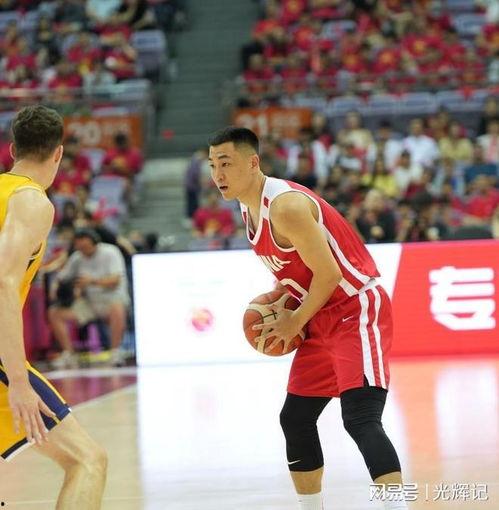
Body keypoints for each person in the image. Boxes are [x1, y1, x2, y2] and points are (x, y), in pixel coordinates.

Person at [208, 127, 408, 510]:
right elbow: (296, 269)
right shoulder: (248, 208)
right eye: (213, 165)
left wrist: (293, 320)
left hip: (353, 308)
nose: (218, 174)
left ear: (253, 163)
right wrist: (283, 301)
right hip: (317, 314)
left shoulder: (286, 207)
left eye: (226, 163)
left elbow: (329, 274)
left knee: (361, 418)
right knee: (296, 418)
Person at [0, 105, 107, 507]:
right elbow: (3, 283)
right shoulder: (31, 201)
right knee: (87, 461)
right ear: (59, 153)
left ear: (13, 150)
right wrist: (19, 381)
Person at [48, 229, 130, 369]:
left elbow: (116, 280)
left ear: (94, 242)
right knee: (54, 313)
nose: (82, 250)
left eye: (85, 247)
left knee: (117, 308)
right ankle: (69, 354)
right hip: (89, 303)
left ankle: (115, 352)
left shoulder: (110, 252)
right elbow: (62, 277)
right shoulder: (77, 257)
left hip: (110, 300)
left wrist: (92, 281)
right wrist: (55, 288)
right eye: (79, 247)